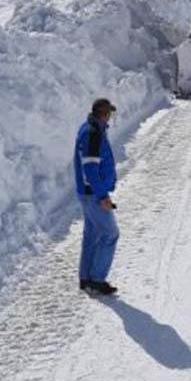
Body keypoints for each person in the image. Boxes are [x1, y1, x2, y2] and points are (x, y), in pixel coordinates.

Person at [74, 98, 120, 295]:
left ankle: (86, 277)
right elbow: (90, 169)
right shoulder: (93, 134)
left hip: (88, 193)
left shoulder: (91, 129)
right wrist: (102, 196)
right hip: (94, 195)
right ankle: (97, 279)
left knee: (92, 235)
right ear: (104, 113)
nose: (110, 117)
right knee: (110, 234)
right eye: (109, 113)